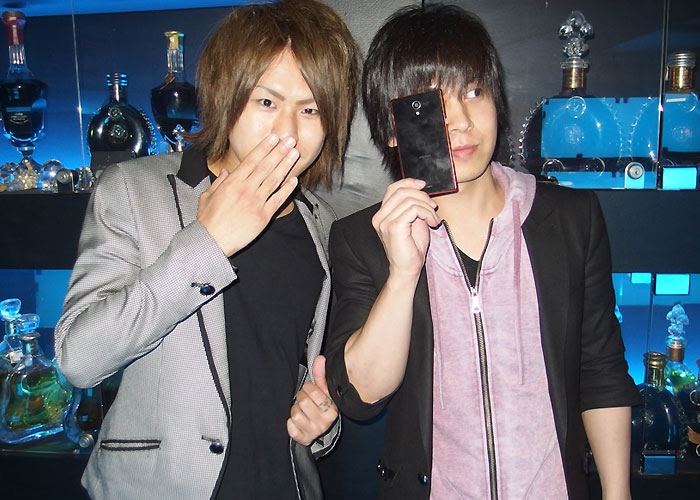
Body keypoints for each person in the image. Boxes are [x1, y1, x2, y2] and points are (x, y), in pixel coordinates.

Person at [324, 4, 641, 500]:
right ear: (391, 128)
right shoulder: (361, 239)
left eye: (473, 91)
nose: (462, 122)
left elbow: (601, 369)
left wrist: (617, 494)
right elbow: (362, 395)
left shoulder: (569, 219)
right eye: (431, 103)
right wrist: (402, 274)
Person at [54, 1, 359, 499]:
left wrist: (320, 421)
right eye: (267, 102)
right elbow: (78, 358)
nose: (287, 132)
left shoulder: (321, 224)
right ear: (226, 95)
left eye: (311, 109)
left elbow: (295, 368)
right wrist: (207, 243)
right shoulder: (133, 190)